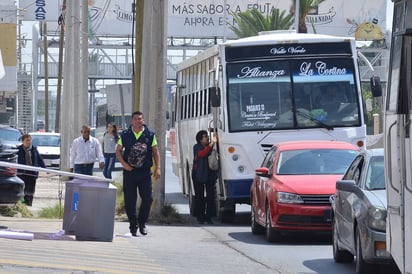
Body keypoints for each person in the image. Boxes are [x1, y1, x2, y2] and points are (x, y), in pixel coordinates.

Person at [116, 111, 161, 236]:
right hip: (130, 172)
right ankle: (133, 226)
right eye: (135, 119)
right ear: (132, 121)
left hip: (145, 172)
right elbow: (118, 151)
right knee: (130, 200)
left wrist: (158, 168)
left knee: (148, 198)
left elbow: (156, 152)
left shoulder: (150, 135)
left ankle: (142, 223)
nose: (138, 121)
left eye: (140, 119)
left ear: (143, 120)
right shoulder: (125, 135)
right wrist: (125, 165)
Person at [192, 130, 218, 224]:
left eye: (207, 136)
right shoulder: (197, 147)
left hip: (209, 175)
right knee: (200, 197)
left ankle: (209, 217)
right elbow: (202, 154)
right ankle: (200, 217)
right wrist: (212, 143)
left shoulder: (210, 147)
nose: (207, 137)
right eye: (205, 136)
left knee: (210, 196)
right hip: (198, 175)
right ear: (200, 139)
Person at [17, 133, 46, 206]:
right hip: (22, 174)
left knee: (31, 188)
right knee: (23, 188)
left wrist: (45, 168)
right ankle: (23, 203)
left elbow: (39, 159)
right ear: (23, 141)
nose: (28, 142)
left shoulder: (34, 149)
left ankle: (29, 202)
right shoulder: (18, 150)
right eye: (27, 140)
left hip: (32, 173)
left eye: (29, 140)